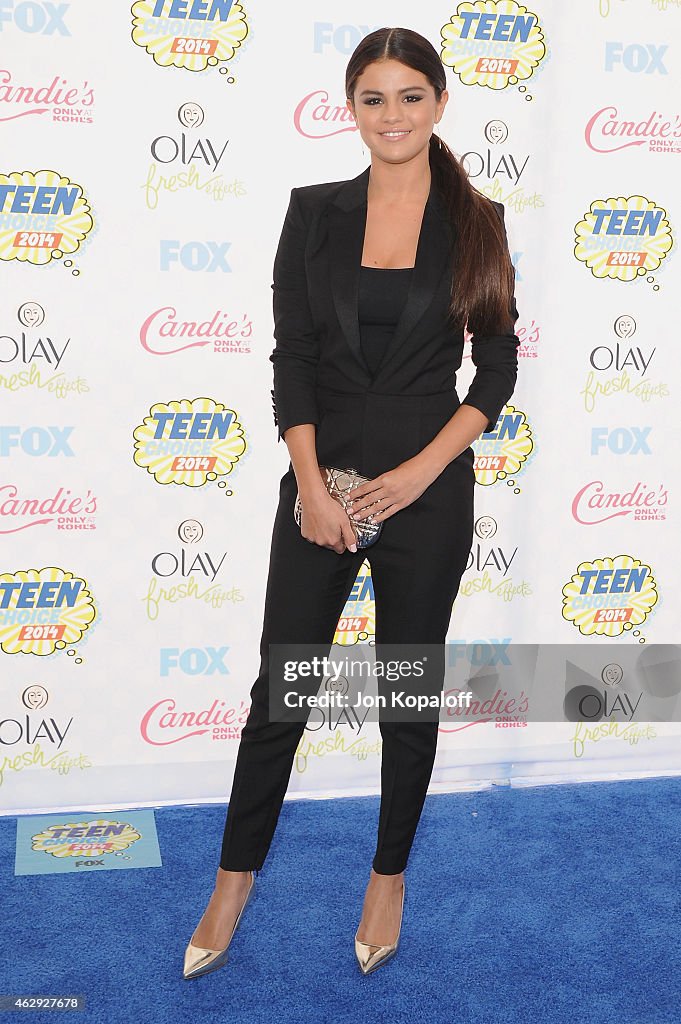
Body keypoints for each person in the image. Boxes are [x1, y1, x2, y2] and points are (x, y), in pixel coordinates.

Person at [183, 25, 520, 980]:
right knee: (279, 694)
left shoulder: (478, 221)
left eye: (411, 96)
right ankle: (232, 879)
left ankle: (387, 876)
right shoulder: (314, 211)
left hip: (427, 491)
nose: (393, 115)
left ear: (440, 103)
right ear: (350, 108)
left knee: (403, 696)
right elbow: (292, 357)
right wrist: (309, 483)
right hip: (320, 490)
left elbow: (491, 374)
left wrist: (416, 476)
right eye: (373, 98)